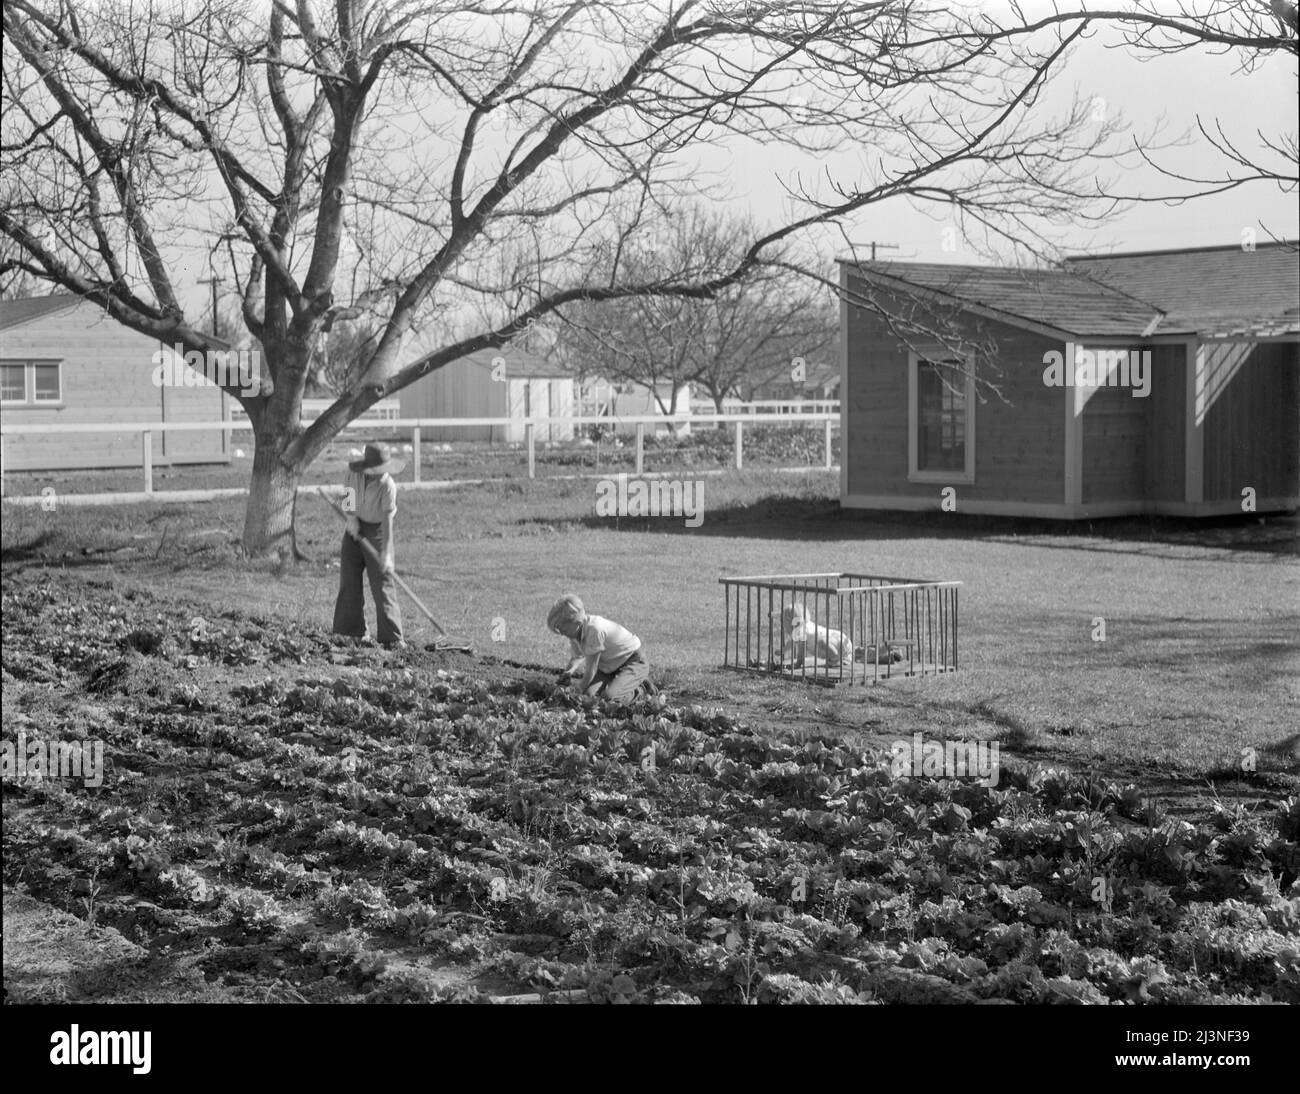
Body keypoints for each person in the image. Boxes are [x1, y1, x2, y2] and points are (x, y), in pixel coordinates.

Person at [332, 442, 405, 648]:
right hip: (354, 528)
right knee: (349, 579)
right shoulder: (353, 474)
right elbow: (348, 498)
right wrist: (351, 518)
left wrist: (387, 553)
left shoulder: (387, 485)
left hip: (377, 531)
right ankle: (351, 632)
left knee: (382, 582)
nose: (377, 474)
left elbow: (387, 522)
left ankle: (392, 637)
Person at [546, 594, 654, 701]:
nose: (561, 632)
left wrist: (577, 690)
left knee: (610, 698)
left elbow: (591, 671)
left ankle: (643, 688)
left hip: (633, 661)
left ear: (576, 622)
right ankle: (621, 682)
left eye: (561, 627)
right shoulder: (575, 634)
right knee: (590, 695)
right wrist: (568, 672)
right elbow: (577, 657)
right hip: (609, 667)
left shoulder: (594, 630)